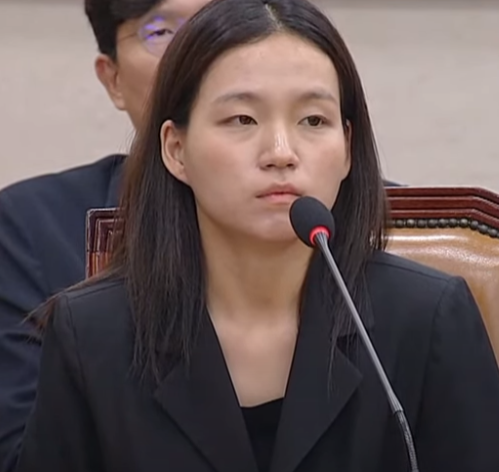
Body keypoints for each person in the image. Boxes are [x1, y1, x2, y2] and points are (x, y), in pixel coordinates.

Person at [15, 0, 499, 471]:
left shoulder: (428, 320)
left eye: (313, 120)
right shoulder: (91, 334)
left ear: (348, 148)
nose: (281, 152)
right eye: (242, 120)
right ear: (176, 149)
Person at [0, 1, 214, 471]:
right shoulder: (29, 228)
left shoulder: (346, 225)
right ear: (112, 78)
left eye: (221, 21)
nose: (198, 51)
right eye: (161, 32)